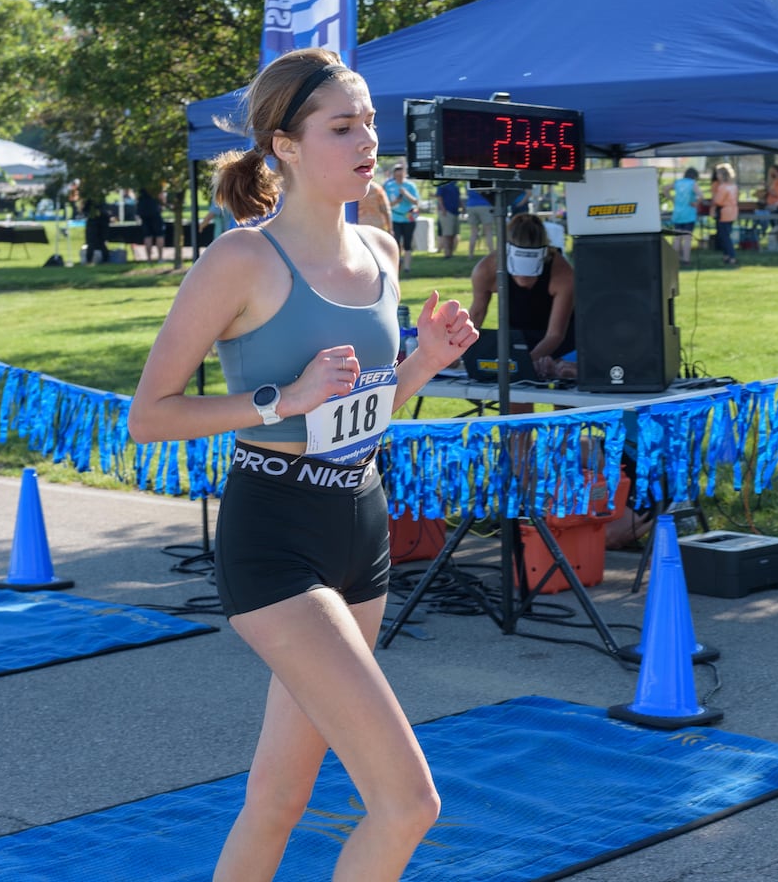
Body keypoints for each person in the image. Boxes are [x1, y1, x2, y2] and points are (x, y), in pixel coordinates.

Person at [128, 48, 473, 882]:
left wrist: (423, 364)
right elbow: (149, 418)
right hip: (275, 535)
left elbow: (367, 408)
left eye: (371, 123)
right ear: (284, 144)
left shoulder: (383, 250)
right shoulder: (240, 261)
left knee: (279, 799)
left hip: (361, 523)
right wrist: (279, 400)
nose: (368, 142)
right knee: (408, 803)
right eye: (343, 127)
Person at [468, 212, 576, 408]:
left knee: (565, 410)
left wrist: (524, 364)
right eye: (517, 272)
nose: (523, 280)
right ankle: (520, 439)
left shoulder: (563, 273)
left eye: (530, 273)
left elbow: (556, 334)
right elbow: (475, 316)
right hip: (516, 340)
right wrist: (458, 355)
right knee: (518, 412)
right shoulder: (486, 270)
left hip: (563, 341)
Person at [383, 162, 421, 273]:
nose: (399, 177)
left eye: (401, 174)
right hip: (395, 217)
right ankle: (397, 264)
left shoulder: (410, 186)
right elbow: (385, 205)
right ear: (394, 175)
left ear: (404, 174)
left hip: (409, 217)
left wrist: (406, 194)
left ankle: (407, 267)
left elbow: (416, 201)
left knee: (407, 243)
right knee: (396, 242)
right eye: (397, 175)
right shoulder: (388, 186)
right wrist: (396, 202)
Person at [670, 166, 700, 266]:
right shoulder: (692, 183)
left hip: (677, 214)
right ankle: (686, 260)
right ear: (695, 176)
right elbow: (701, 195)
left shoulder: (678, 183)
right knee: (687, 238)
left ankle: (674, 259)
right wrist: (696, 203)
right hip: (689, 214)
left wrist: (672, 199)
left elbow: (665, 188)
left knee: (677, 238)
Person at [711, 163, 739, 267]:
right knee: (726, 234)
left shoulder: (722, 187)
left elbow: (718, 201)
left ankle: (731, 256)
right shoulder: (733, 186)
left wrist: (712, 206)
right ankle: (726, 255)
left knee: (724, 236)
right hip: (732, 212)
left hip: (724, 212)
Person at [137, 187, 165, 262]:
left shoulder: (140, 181)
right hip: (154, 209)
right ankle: (160, 258)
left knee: (147, 236)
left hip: (143, 210)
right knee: (159, 235)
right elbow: (161, 195)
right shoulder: (156, 182)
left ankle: (149, 258)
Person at [434, 180, 461, 258]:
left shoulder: (456, 184)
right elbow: (439, 197)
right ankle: (447, 253)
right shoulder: (442, 184)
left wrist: (461, 206)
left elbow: (458, 197)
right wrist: (443, 209)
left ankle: (451, 252)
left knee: (453, 234)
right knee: (447, 234)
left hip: (455, 211)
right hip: (446, 211)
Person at [465, 186, 494, 256]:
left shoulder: (468, 182)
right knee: (488, 232)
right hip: (485, 205)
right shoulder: (484, 181)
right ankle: (492, 253)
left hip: (471, 206)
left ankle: (471, 254)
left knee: (473, 232)